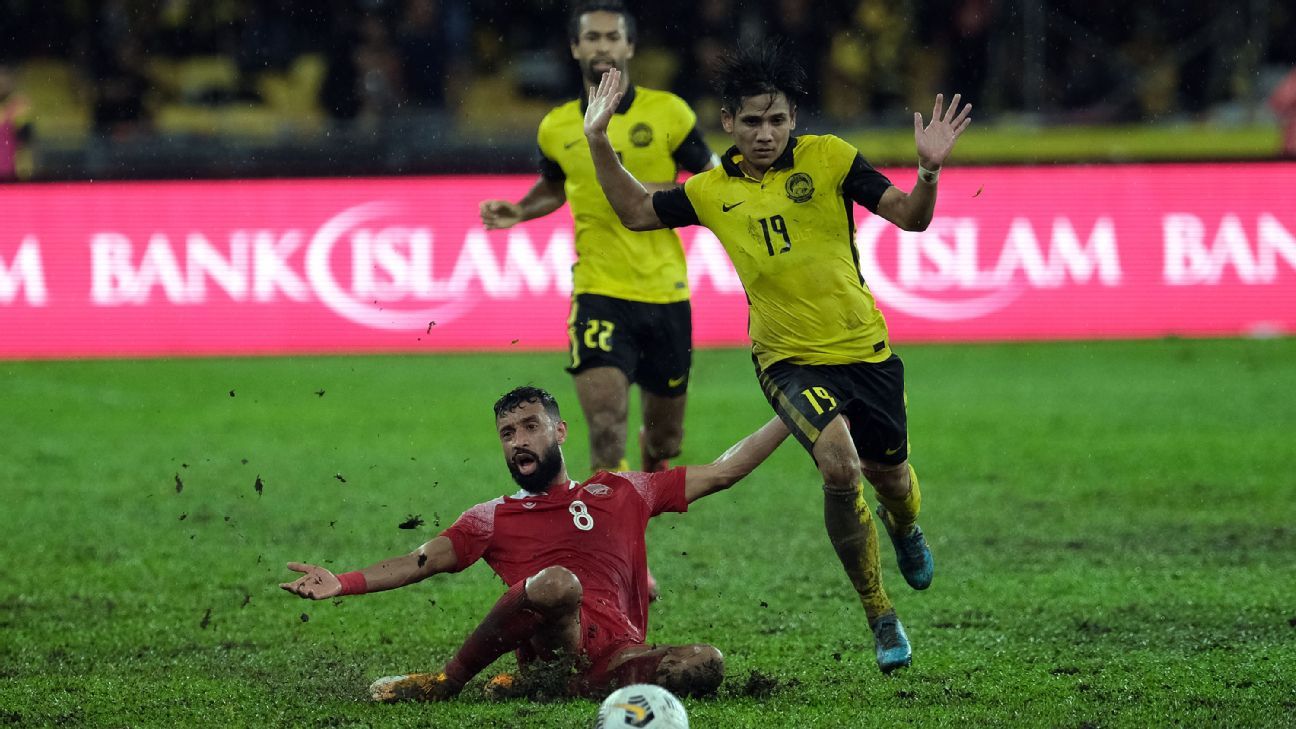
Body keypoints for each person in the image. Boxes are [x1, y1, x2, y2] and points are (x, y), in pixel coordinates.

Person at [582, 44, 972, 673]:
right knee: (840, 468)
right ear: (729, 122)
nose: (767, 134)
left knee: (892, 480)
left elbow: (910, 218)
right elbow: (633, 210)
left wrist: (927, 173)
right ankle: (880, 612)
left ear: (794, 119)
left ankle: (903, 527)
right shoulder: (710, 189)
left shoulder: (832, 159)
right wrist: (599, 139)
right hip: (787, 360)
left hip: (865, 351)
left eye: (779, 120)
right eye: (753, 122)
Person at [281, 386, 788, 701]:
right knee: (558, 585)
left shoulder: (623, 488)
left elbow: (724, 471)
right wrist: (342, 581)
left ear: (560, 431)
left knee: (707, 661)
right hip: (556, 652)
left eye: (530, 426)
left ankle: (569, 691)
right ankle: (446, 684)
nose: (519, 440)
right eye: (507, 433)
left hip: (616, 657)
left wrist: (793, 413)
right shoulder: (491, 516)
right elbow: (420, 561)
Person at [479, 1, 717, 478]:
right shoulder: (556, 126)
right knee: (606, 430)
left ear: (629, 45)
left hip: (665, 291)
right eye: (592, 37)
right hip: (598, 292)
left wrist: (647, 192)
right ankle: (609, 535)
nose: (602, 45)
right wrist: (522, 209)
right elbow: (555, 185)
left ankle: (653, 461)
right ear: (575, 47)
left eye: (612, 37)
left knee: (668, 436)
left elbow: (715, 182)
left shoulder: (669, 113)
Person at [0, 62, 33, 181]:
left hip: (9, 168)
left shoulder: (18, 102)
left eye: (4, 76)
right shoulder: (12, 107)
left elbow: (25, 136)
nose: (2, 81)